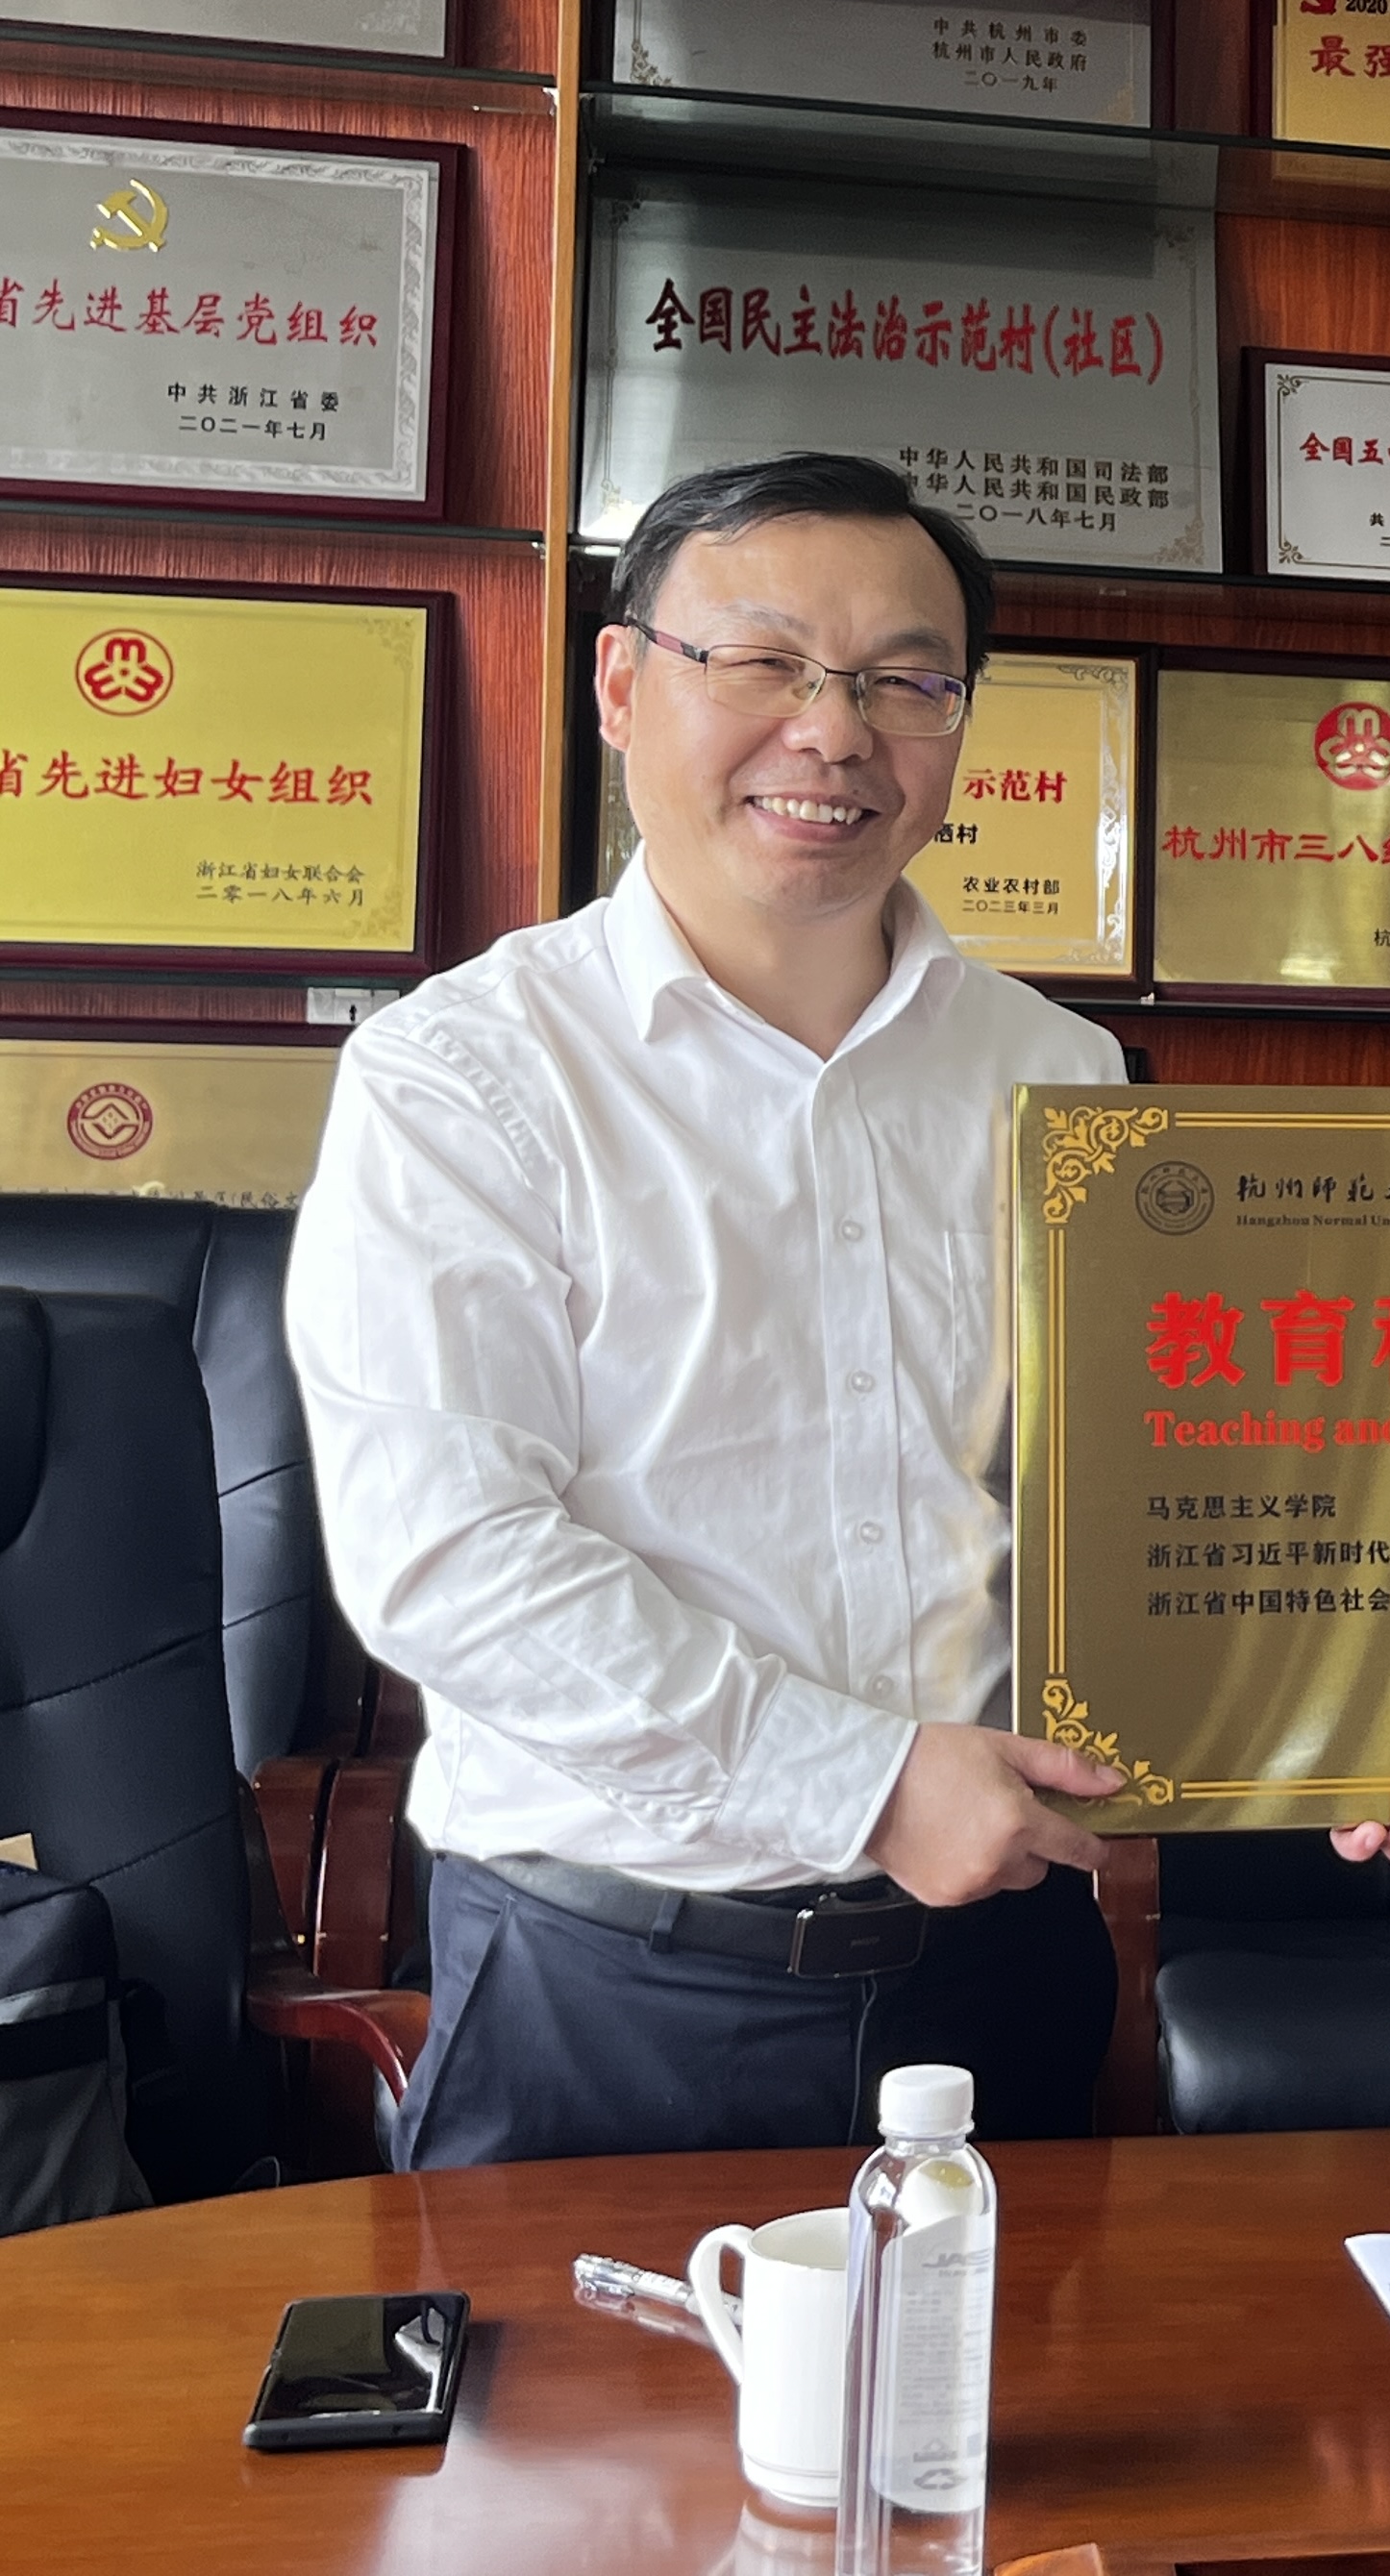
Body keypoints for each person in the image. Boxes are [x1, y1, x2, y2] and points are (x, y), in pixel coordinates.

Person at [287, 453, 1155, 2165]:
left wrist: (1342, 1743)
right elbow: (448, 1554)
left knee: (1015, 2356)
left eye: (905, 680)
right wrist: (867, 1782)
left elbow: (1136, 1498)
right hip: (610, 1990)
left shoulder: (1062, 1073)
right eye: (763, 663)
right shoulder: (462, 1076)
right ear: (623, 685)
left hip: (1001, 1970)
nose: (835, 732)